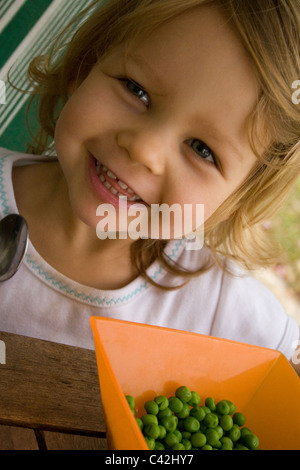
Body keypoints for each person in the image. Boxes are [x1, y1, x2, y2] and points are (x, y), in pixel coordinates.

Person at [0, 0, 299, 374]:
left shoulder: (217, 306)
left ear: (234, 201)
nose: (144, 149)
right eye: (136, 90)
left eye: (202, 149)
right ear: (87, 65)